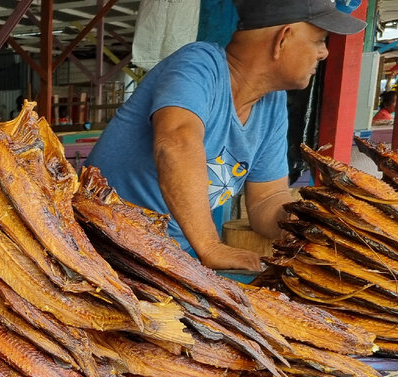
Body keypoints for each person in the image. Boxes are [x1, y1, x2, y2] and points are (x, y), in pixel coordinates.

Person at [86, 0, 364, 272]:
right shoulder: (199, 64)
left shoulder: (273, 103)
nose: (323, 52)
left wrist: (304, 222)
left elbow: (267, 198)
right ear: (283, 38)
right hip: (103, 246)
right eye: (319, 40)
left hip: (172, 259)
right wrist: (210, 246)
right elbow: (176, 143)